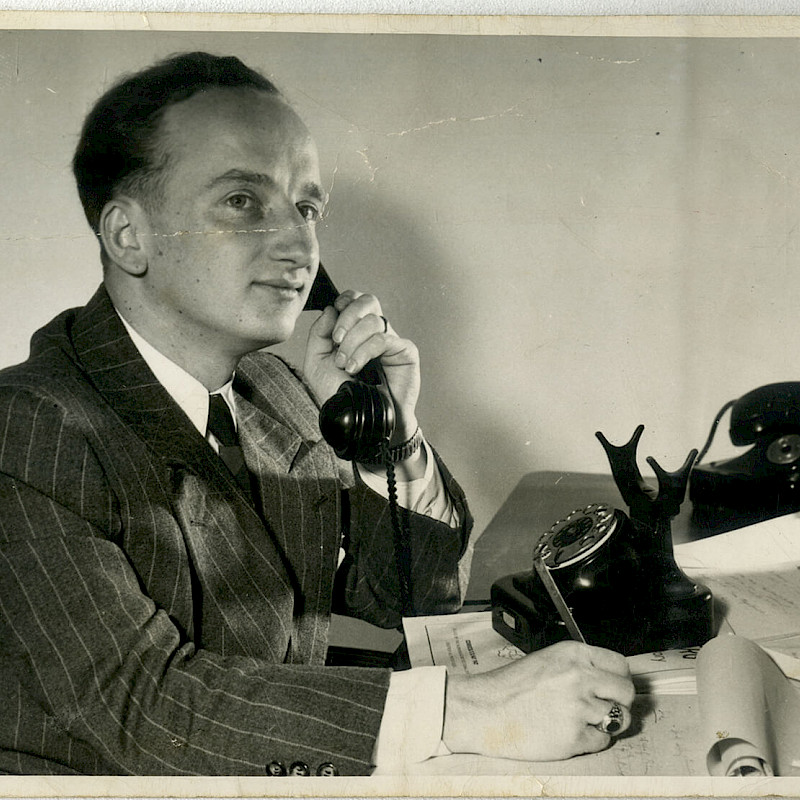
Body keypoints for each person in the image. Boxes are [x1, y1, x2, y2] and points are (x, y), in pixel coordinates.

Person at [0, 51, 634, 776]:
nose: (300, 245)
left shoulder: (273, 392)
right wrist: (468, 708)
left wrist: (385, 446)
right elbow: (140, 705)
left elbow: (410, 597)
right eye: (243, 201)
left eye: (306, 207)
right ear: (128, 237)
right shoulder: (30, 428)